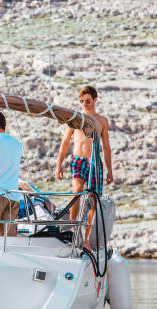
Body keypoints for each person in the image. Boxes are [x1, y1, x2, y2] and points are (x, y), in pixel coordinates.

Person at [54, 86, 113, 246]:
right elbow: (65, 142)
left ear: (94, 100)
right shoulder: (75, 118)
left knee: (93, 198)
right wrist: (58, 165)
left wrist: (109, 170)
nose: (84, 104)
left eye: (87, 101)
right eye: (81, 101)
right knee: (77, 188)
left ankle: (86, 238)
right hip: (78, 158)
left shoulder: (102, 121)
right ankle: (73, 226)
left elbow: (106, 146)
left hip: (95, 161)